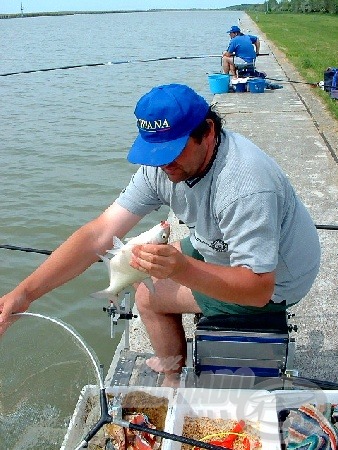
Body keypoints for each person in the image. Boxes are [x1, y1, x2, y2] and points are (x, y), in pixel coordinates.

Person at [0, 84, 321, 387]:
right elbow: (97, 235)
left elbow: (257, 289)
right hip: (217, 245)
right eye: (154, 152)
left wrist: (183, 270)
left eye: (174, 150)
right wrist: (24, 294)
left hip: (278, 281)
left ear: (208, 131)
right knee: (142, 269)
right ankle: (174, 360)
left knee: (148, 296)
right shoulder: (162, 166)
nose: (164, 164)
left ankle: (172, 377)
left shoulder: (244, 185)